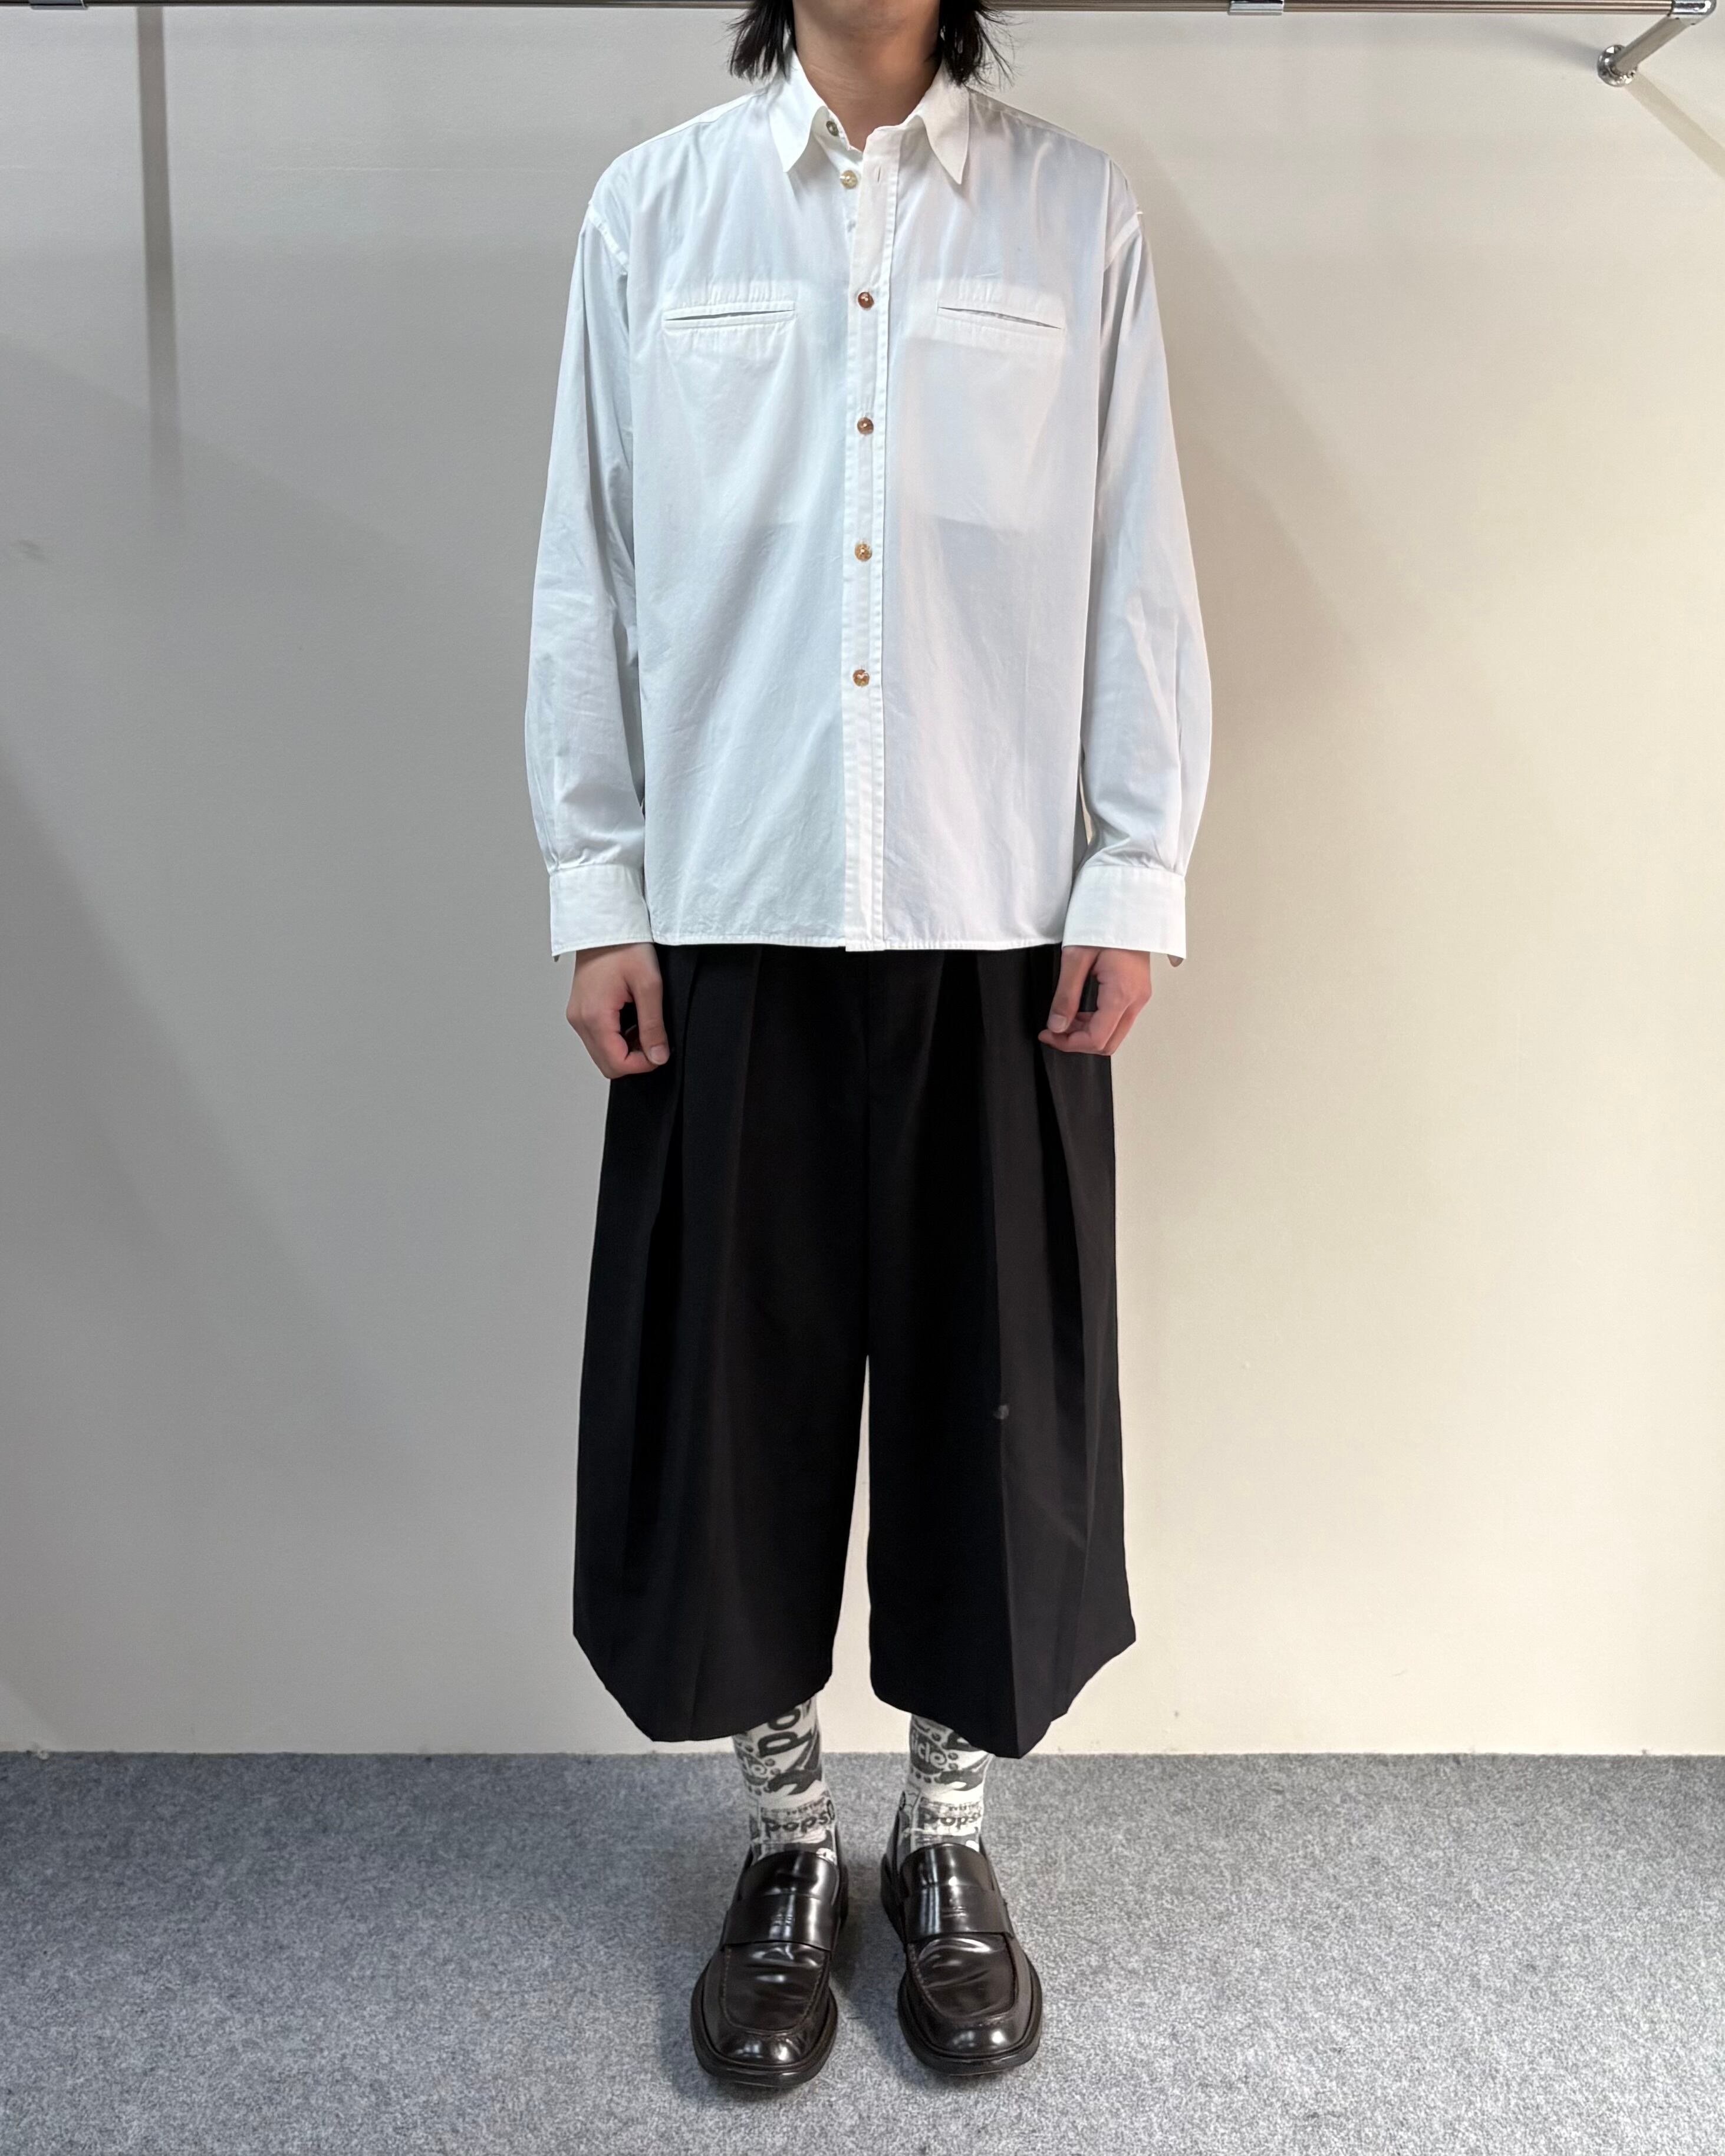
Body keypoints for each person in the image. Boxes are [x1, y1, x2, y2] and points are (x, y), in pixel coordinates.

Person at [523, 0, 1210, 2090]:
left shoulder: (1074, 217)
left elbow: (1138, 558)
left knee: (994, 1412)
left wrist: (1133, 866)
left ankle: (947, 1828)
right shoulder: (653, 215)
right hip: (729, 912)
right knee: (729, 1413)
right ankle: (785, 1834)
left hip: (995, 913)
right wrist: (598, 881)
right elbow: (586, 566)